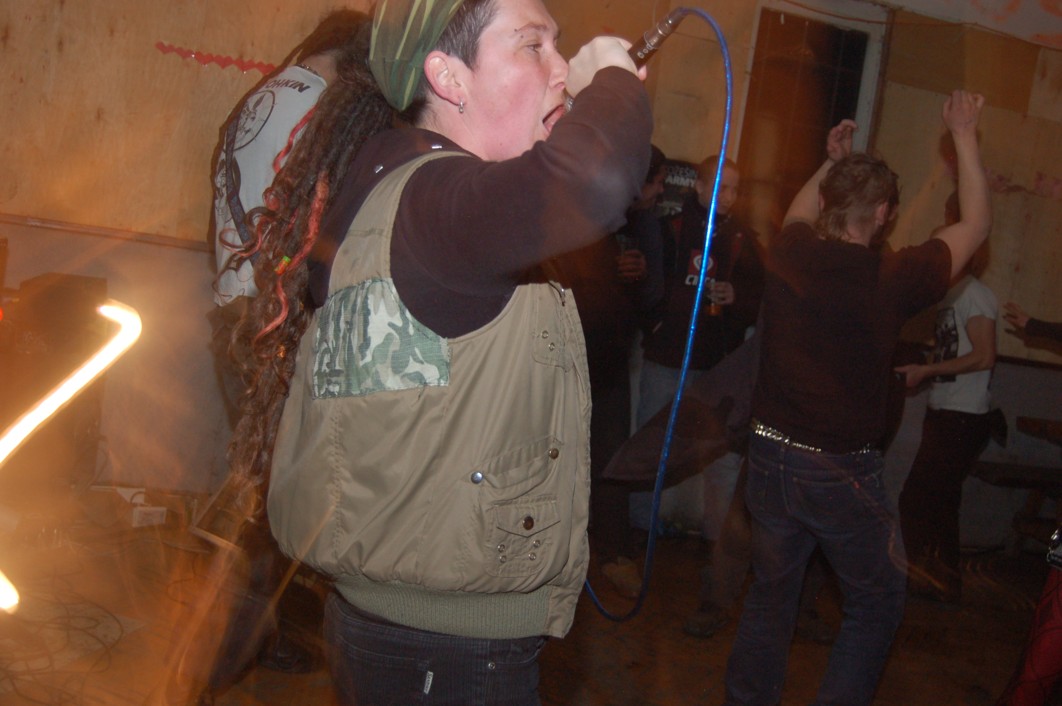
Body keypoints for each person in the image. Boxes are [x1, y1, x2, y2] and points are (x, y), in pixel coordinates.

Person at [224, 0, 653, 703]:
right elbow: (595, 182)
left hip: (397, 626)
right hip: (448, 651)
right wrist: (613, 79)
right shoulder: (438, 203)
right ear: (449, 78)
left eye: (561, 46)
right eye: (532, 46)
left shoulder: (397, 185)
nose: (561, 70)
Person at [724, 89, 991, 706]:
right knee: (876, 602)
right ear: (884, 214)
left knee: (771, 593)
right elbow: (975, 226)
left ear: (829, 202)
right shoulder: (891, 276)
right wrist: (964, 134)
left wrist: (830, 161)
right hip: (837, 471)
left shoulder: (792, 250)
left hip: (767, 458)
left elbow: (799, 210)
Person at [196, 11, 369, 699]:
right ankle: (211, 664)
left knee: (259, 491)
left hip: (233, 311)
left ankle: (257, 640)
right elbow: (316, 228)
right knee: (270, 508)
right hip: (271, 325)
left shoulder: (262, 94)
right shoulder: (320, 109)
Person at [553, 145, 667, 599]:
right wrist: (606, 273)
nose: (658, 192)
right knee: (561, 457)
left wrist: (635, 278)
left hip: (611, 363)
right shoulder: (583, 211)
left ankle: (614, 553)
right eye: (654, 182)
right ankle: (557, 553)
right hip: (570, 361)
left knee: (612, 458)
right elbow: (564, 286)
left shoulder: (641, 223)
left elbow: (647, 298)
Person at [634, 155, 765, 538]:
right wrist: (656, 326)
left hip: (714, 365)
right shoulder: (672, 228)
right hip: (667, 358)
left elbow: (760, 296)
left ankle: (716, 540)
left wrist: (736, 297)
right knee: (650, 447)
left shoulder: (741, 238)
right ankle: (640, 528)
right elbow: (645, 286)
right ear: (701, 186)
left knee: (720, 455)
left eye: (735, 189)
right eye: (722, 187)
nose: (729, 196)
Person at [896, 198, 997, 605]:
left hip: (964, 416)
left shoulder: (976, 295)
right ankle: (945, 581)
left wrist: (927, 372)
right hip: (946, 411)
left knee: (919, 499)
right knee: (940, 501)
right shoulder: (949, 297)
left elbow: (984, 356)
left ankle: (912, 579)